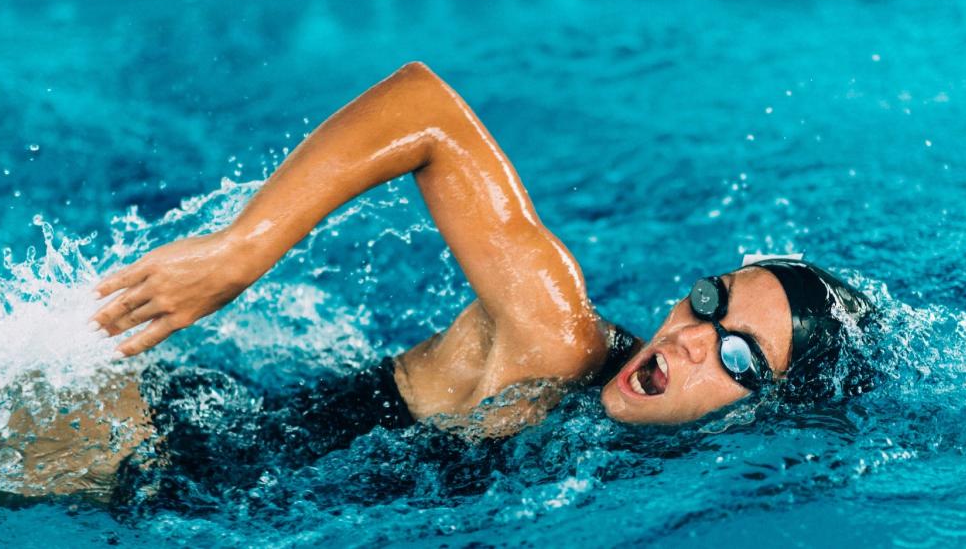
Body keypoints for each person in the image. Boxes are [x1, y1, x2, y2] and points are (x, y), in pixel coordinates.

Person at [90, 62, 874, 434]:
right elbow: (426, 111)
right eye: (709, 302)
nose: (694, 337)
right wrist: (241, 250)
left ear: (770, 414)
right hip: (143, 447)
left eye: (739, 358)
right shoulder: (555, 341)